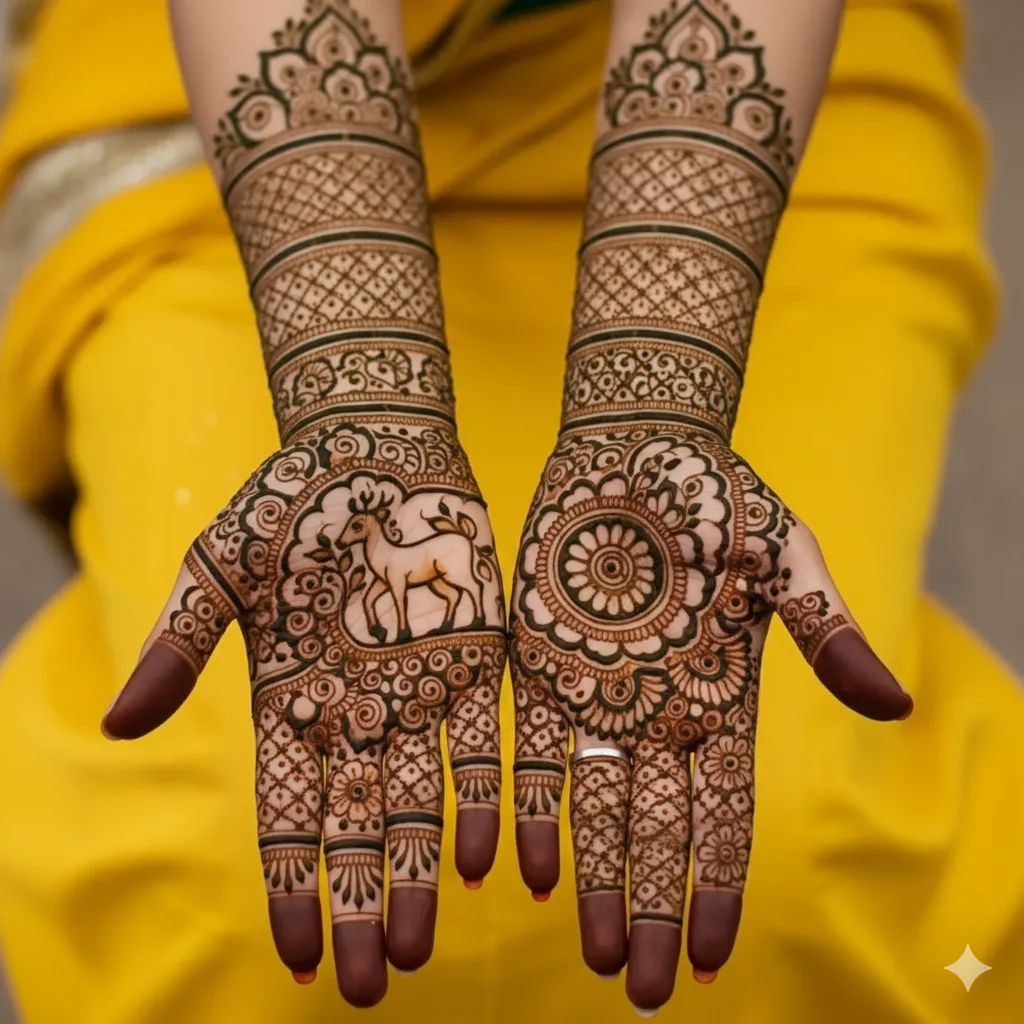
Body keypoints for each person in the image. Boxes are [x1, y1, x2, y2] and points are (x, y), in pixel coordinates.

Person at [0, 0, 1020, 1022]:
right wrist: (364, 409)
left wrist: (655, 396)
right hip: (248, 101)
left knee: (791, 852)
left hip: (759, 103)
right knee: (230, 860)